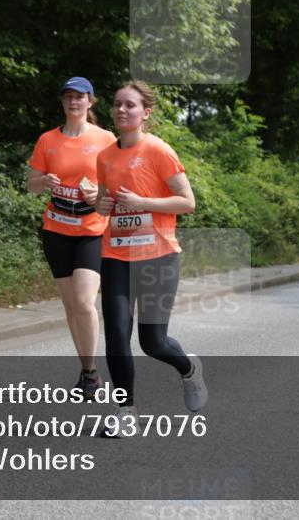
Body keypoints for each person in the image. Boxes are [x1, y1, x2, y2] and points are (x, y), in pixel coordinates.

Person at [96, 80, 206, 436]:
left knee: (153, 342)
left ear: (146, 113)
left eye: (130, 105)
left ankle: (189, 368)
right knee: (116, 335)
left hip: (158, 256)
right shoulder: (105, 156)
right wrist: (101, 205)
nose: (121, 110)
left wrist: (143, 203)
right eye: (117, 104)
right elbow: (101, 202)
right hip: (116, 254)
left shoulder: (158, 150)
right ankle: (126, 411)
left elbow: (187, 202)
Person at [28, 77, 116, 399]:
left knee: (83, 302)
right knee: (70, 307)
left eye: (80, 97)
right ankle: (88, 371)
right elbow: (31, 185)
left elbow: (118, 183)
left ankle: (91, 371)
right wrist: (45, 182)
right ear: (62, 102)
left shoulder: (105, 139)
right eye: (68, 97)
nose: (73, 102)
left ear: (90, 101)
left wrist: (99, 194)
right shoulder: (47, 140)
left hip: (92, 228)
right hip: (56, 229)